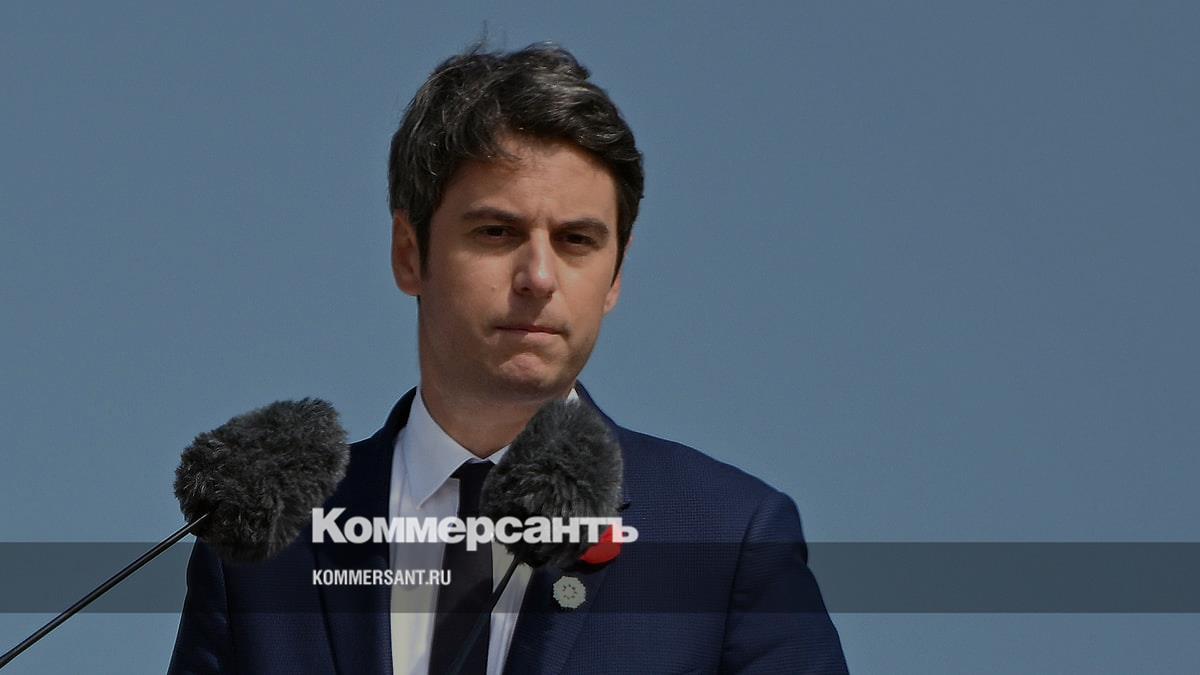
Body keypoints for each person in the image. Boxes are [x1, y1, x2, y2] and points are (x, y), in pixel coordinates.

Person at [169, 43, 848, 674]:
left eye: (577, 241)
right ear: (409, 253)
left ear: (615, 275)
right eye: (497, 232)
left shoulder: (728, 540)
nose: (539, 277)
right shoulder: (264, 543)